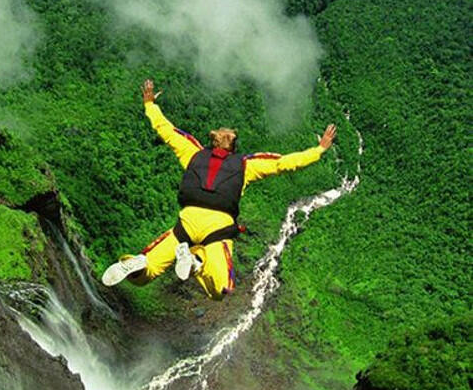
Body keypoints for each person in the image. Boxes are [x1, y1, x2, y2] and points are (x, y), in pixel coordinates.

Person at [101, 79, 337, 300]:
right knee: (221, 288)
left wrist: (149, 104)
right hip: (218, 228)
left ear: (211, 142)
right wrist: (319, 149)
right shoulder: (246, 165)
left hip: (187, 222)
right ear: (234, 147)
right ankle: (196, 263)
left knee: (146, 274)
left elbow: (166, 129)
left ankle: (138, 262)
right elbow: (284, 163)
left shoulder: (192, 151)